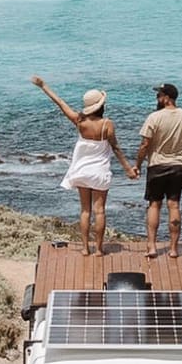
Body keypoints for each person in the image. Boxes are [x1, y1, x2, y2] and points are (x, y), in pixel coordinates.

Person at [31, 76, 137, 257]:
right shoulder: (107, 125)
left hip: (81, 171)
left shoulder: (79, 121)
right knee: (100, 211)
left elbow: (60, 103)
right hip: (100, 172)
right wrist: (128, 169)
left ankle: (85, 248)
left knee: (85, 211)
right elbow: (116, 148)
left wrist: (43, 86)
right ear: (102, 106)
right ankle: (99, 249)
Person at [135, 83, 182, 259]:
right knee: (174, 205)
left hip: (157, 166)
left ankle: (152, 246)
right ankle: (173, 249)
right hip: (179, 166)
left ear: (167, 98)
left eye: (159, 95)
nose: (157, 98)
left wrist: (138, 165)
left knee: (154, 204)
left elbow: (145, 145)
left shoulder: (154, 117)